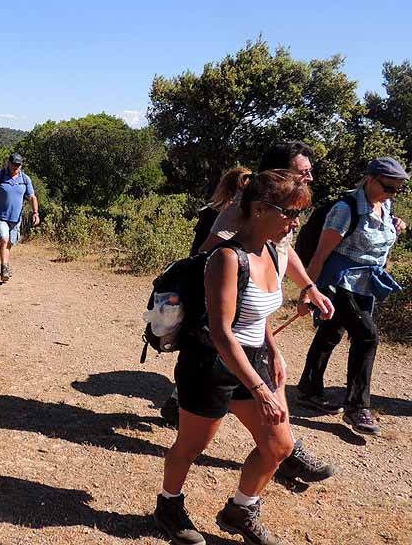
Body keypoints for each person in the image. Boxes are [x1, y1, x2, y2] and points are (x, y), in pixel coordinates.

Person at [162, 141, 336, 486]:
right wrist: (231, 265)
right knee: (193, 444)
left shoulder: (275, 232)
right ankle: (171, 495)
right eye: (302, 172)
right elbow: (206, 258)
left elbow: (283, 256)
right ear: (279, 174)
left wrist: (307, 288)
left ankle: (254, 491)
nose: (309, 177)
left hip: (251, 344)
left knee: (277, 440)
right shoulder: (244, 221)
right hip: (215, 354)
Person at [155, 170, 310, 545]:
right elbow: (222, 332)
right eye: (290, 212)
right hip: (212, 364)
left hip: (253, 360)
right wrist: (259, 389)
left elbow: (258, 313)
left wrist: (273, 351)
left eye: (299, 213)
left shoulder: (272, 252)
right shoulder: (226, 258)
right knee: (191, 446)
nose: (295, 222)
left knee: (279, 446)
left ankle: (240, 509)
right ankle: (168, 506)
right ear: (258, 209)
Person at [298, 157, 408, 435]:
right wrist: (307, 291)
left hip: (365, 285)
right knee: (367, 336)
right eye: (388, 187)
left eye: (397, 189)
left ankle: (308, 389)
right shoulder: (345, 209)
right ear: (370, 180)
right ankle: (357, 407)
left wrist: (395, 226)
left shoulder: (385, 206)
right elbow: (321, 254)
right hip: (340, 283)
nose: (392, 193)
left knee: (331, 332)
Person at [0, 152, 40, 282]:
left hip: (16, 219)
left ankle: (6, 264)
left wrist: (35, 213)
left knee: (10, 242)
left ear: (21, 165)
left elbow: (32, 197)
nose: (15, 167)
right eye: (13, 164)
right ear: (8, 163)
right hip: (0, 216)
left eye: (18, 165)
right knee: (4, 240)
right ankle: (4, 267)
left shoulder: (25, 179)